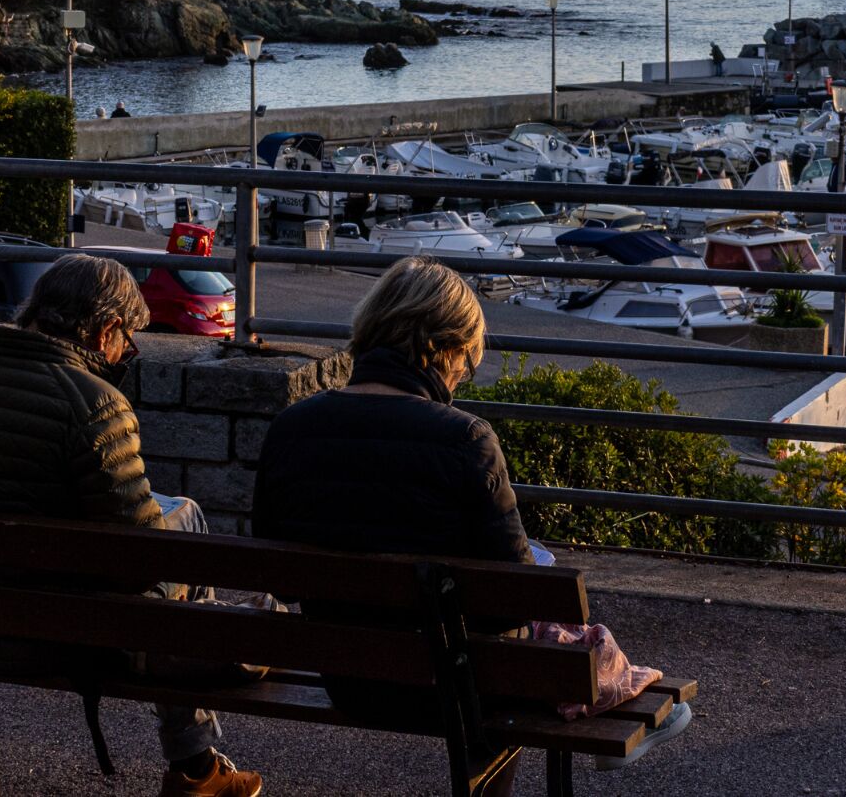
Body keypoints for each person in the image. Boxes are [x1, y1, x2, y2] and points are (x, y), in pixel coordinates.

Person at [253, 257, 688, 786]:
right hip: (456, 688)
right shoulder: (464, 439)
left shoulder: (291, 428)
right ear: (443, 347)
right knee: (545, 637)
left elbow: (277, 575)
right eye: (467, 359)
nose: (462, 375)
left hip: (349, 678)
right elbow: (517, 597)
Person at [0, 254, 262, 797]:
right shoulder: (93, 402)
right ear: (106, 329)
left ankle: (199, 758)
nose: (123, 354)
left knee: (175, 512)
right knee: (185, 520)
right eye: (127, 340)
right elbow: (142, 565)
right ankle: (195, 763)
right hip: (50, 636)